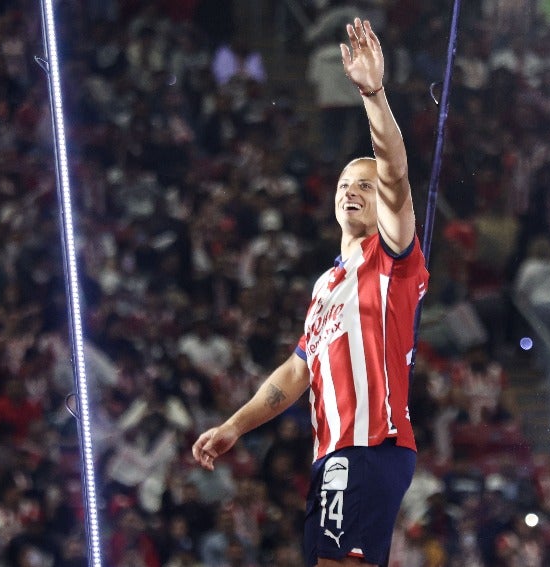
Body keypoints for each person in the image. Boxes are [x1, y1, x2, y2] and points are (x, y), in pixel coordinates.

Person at [192, 18, 429, 567]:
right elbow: (296, 372)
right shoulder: (327, 284)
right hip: (334, 452)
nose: (352, 191)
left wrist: (373, 94)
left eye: (365, 186)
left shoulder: (392, 258)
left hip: (369, 445)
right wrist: (234, 426)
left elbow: (395, 173)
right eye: (345, 184)